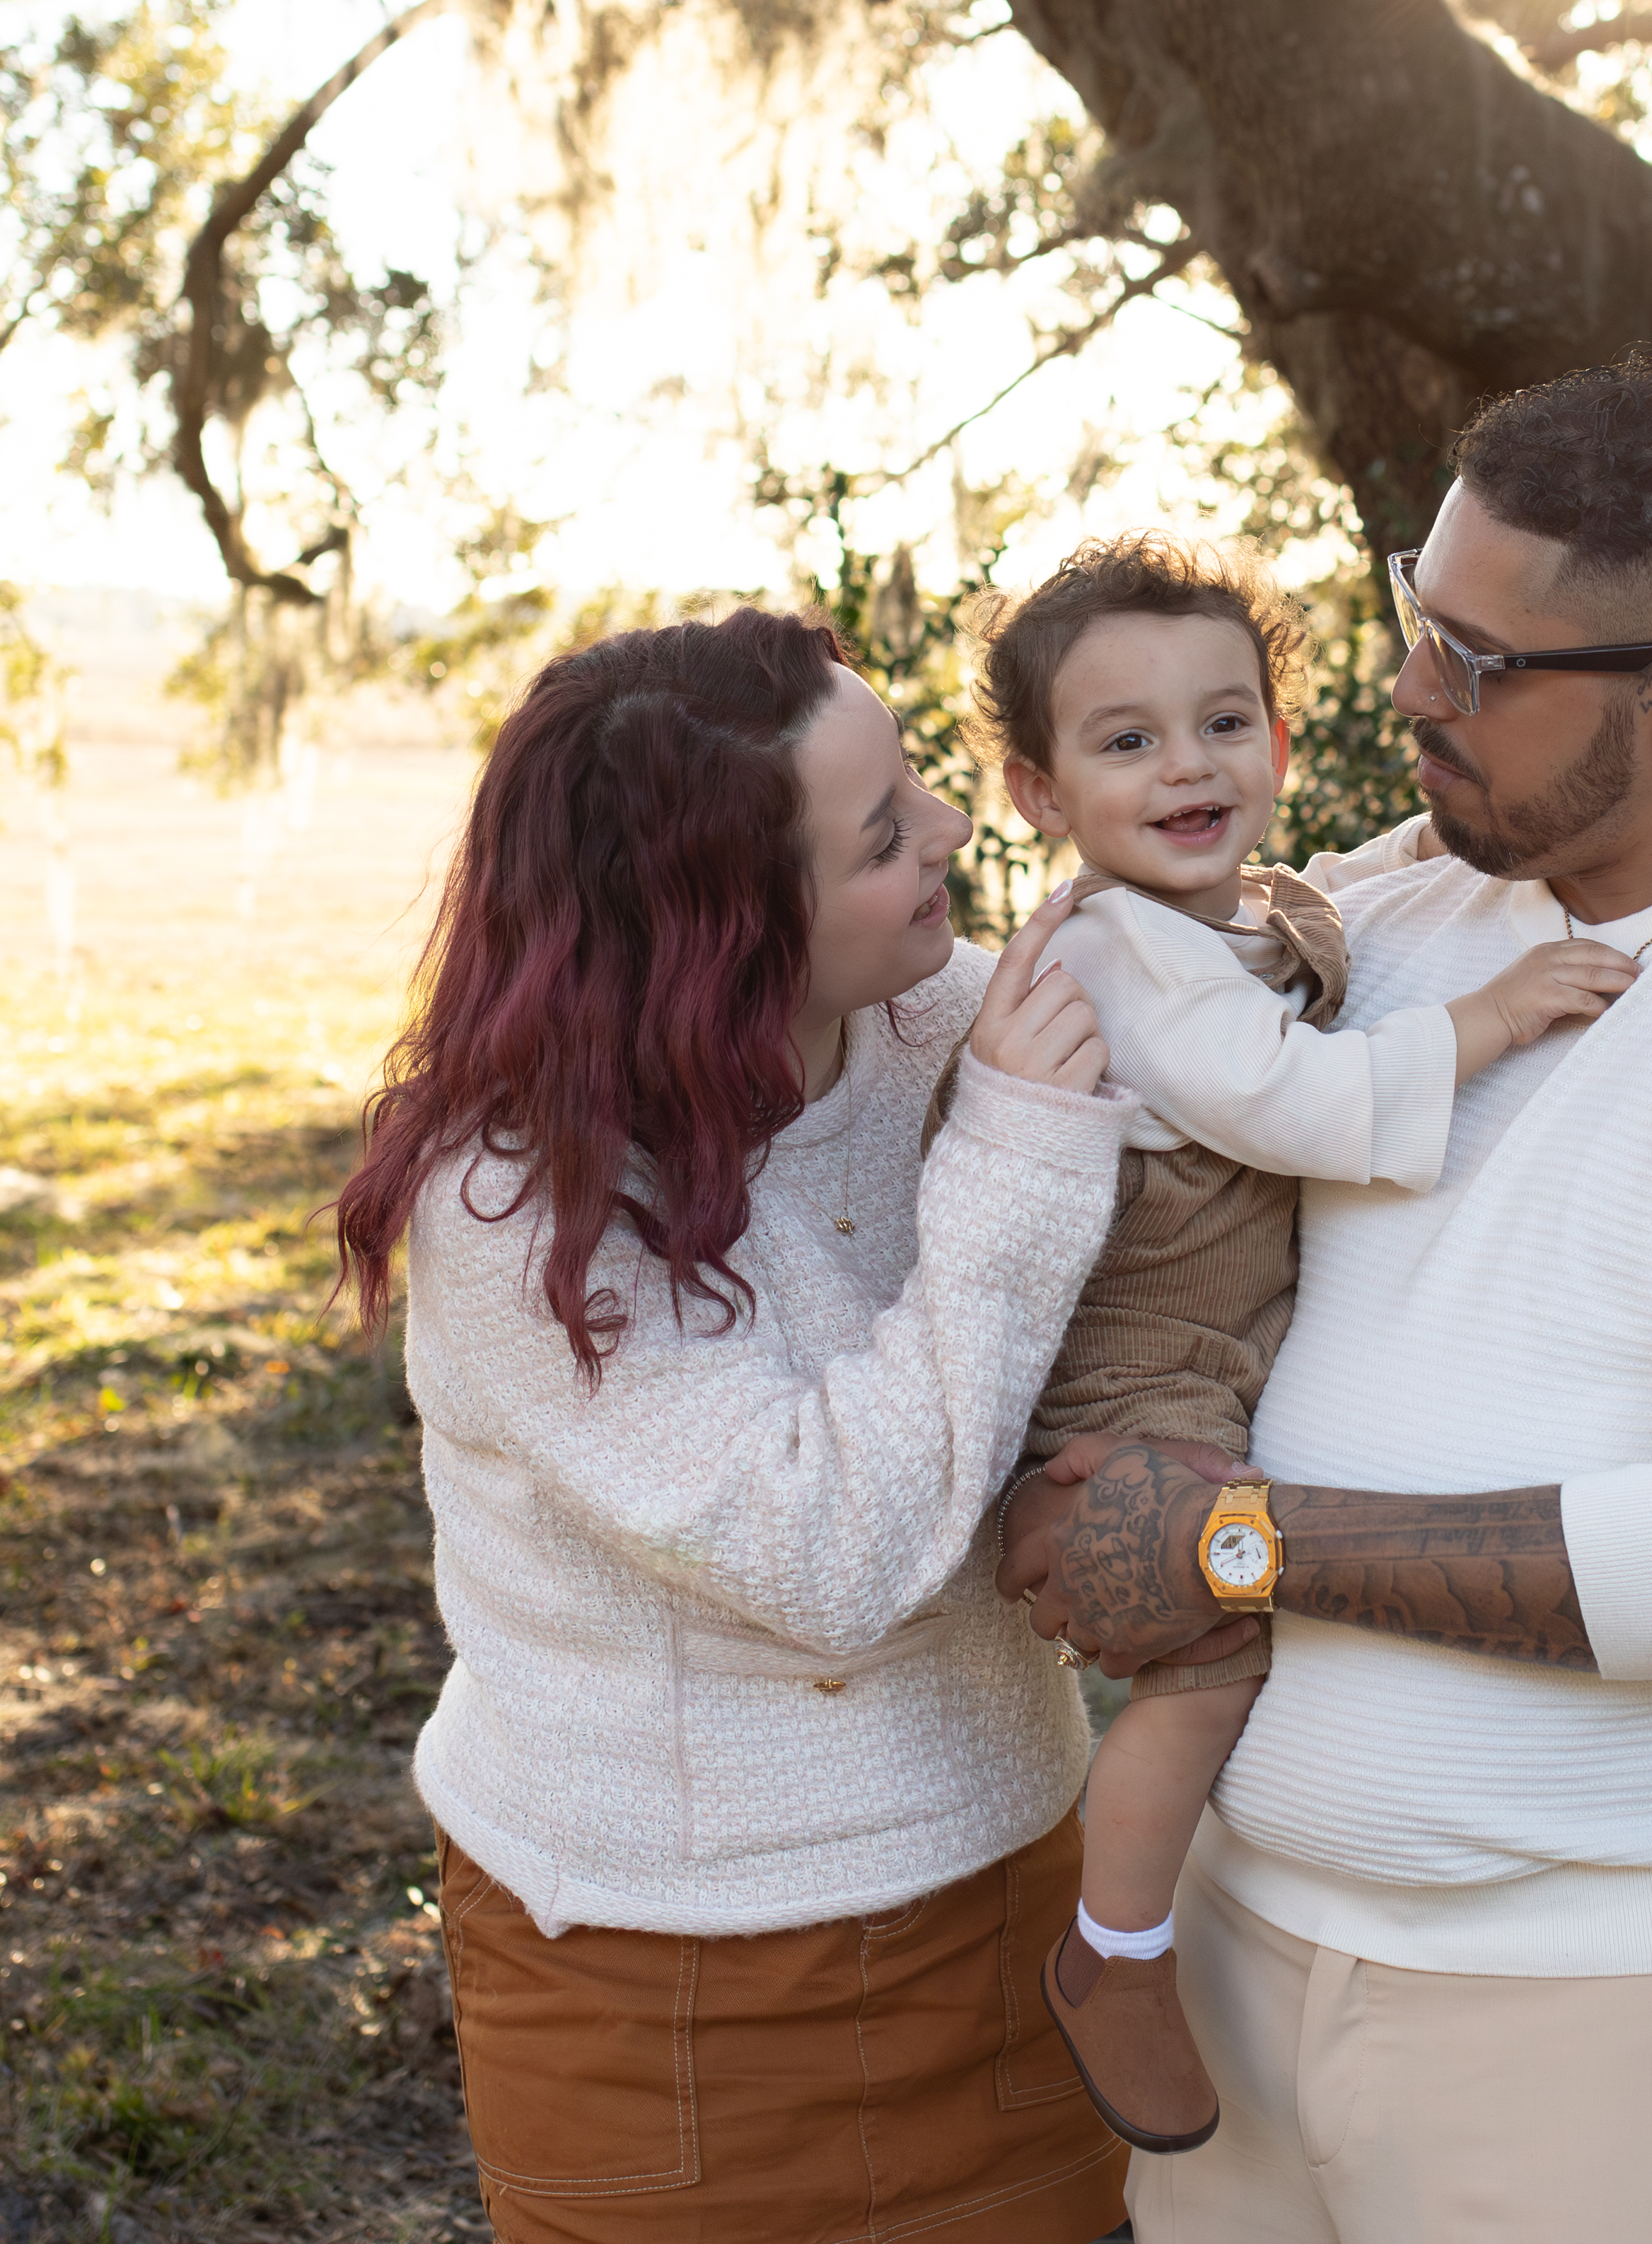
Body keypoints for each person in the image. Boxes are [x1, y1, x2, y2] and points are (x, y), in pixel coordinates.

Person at [1002, 356, 1652, 2244]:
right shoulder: (1377, 911)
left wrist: (1225, 1548)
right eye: (1421, 621)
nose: (1413, 694)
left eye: (1482, 665)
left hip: (1603, 2013)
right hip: (1231, 1943)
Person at [332, 607, 1136, 2244]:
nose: (952, 833)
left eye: (913, 781)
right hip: (660, 1985)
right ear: (722, 933)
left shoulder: (944, 1021)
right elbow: (826, 1553)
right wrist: (1021, 1160)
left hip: (1004, 1904)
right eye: (879, 837)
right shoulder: (515, 1205)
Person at [962, 535, 1632, 2155]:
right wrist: (1488, 1016)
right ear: (1038, 792)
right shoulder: (1118, 955)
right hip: (1129, 1369)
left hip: (1211, 1347)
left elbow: (1325, 909)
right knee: (1211, 1654)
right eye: (1123, 743)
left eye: (1223, 722)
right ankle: (1111, 1949)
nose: (1187, 766)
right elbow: (1295, 1099)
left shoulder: (1234, 905)